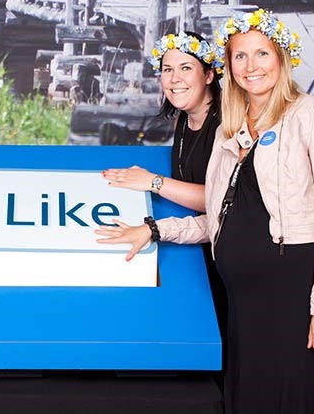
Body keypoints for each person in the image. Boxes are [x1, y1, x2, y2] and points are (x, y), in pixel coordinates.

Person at [97, 9, 314, 414]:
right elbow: (221, 216)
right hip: (244, 302)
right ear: (229, 66)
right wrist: (155, 229)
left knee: (300, 399)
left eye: (262, 54)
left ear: (282, 58)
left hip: (295, 294)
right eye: (240, 56)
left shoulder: (313, 114)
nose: (251, 66)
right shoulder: (229, 128)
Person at [101, 31, 228, 385]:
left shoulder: (227, 125)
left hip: (229, 255)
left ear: (209, 74)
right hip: (200, 248)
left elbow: (222, 199)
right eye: (167, 69)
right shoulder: (185, 120)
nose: (174, 79)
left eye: (186, 68)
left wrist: (152, 182)